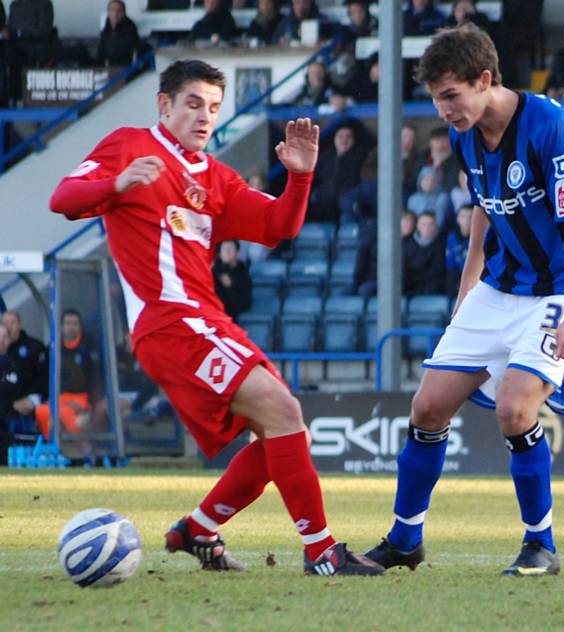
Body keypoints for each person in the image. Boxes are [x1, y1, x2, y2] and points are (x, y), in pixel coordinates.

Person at [50, 59, 382, 577]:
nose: (205, 117)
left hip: (206, 321)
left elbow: (279, 228)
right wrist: (116, 184)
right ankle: (322, 551)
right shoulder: (130, 146)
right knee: (283, 410)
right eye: (193, 104)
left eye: (213, 107)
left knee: (282, 430)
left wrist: (300, 177)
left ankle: (199, 529)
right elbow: (62, 199)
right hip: (169, 323)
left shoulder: (215, 177)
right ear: (165, 105)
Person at [365, 23, 564, 577]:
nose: (444, 109)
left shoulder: (549, 126)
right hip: (498, 287)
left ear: (485, 79)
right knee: (426, 407)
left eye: (451, 95)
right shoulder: (464, 134)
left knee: (514, 409)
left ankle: (540, 546)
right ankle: (405, 540)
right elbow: (482, 210)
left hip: (560, 287)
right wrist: (468, 281)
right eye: (435, 99)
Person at [34, 309, 98, 441]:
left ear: (80, 327)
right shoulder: (53, 349)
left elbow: (96, 380)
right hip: (59, 398)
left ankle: (78, 449)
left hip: (81, 397)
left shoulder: (88, 348)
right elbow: (44, 377)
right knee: (41, 410)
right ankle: (52, 444)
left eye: (75, 324)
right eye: (68, 323)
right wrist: (48, 398)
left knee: (66, 413)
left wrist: (90, 404)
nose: (71, 327)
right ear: (62, 327)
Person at [2, 310, 48, 420]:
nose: (9, 327)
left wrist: (34, 399)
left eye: (12, 323)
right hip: (9, 399)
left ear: (19, 324)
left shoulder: (34, 347)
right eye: (5, 323)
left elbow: (44, 377)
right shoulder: (2, 349)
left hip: (32, 395)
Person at [402, 211, 446, 296]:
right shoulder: (406, 243)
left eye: (430, 224)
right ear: (417, 226)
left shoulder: (441, 244)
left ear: (435, 227)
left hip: (431, 290)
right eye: (424, 224)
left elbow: (437, 271)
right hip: (409, 288)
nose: (427, 228)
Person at [96, 0, 144, 67]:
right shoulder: (105, 31)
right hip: (106, 67)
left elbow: (121, 51)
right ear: (108, 13)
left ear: (124, 13)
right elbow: (101, 53)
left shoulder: (130, 29)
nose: (115, 14)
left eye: (119, 11)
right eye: (112, 10)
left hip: (125, 68)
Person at [213, 240, 253, 320]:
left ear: (237, 252)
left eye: (230, 249)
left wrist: (230, 287)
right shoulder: (213, 272)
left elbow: (245, 303)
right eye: (224, 249)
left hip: (234, 318)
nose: (227, 252)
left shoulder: (243, 274)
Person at [445, 204, 472, 298]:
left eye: (470, 217)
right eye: (463, 217)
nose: (467, 221)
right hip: (457, 283)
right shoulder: (452, 237)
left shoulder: (482, 238)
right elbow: (450, 265)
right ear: (458, 219)